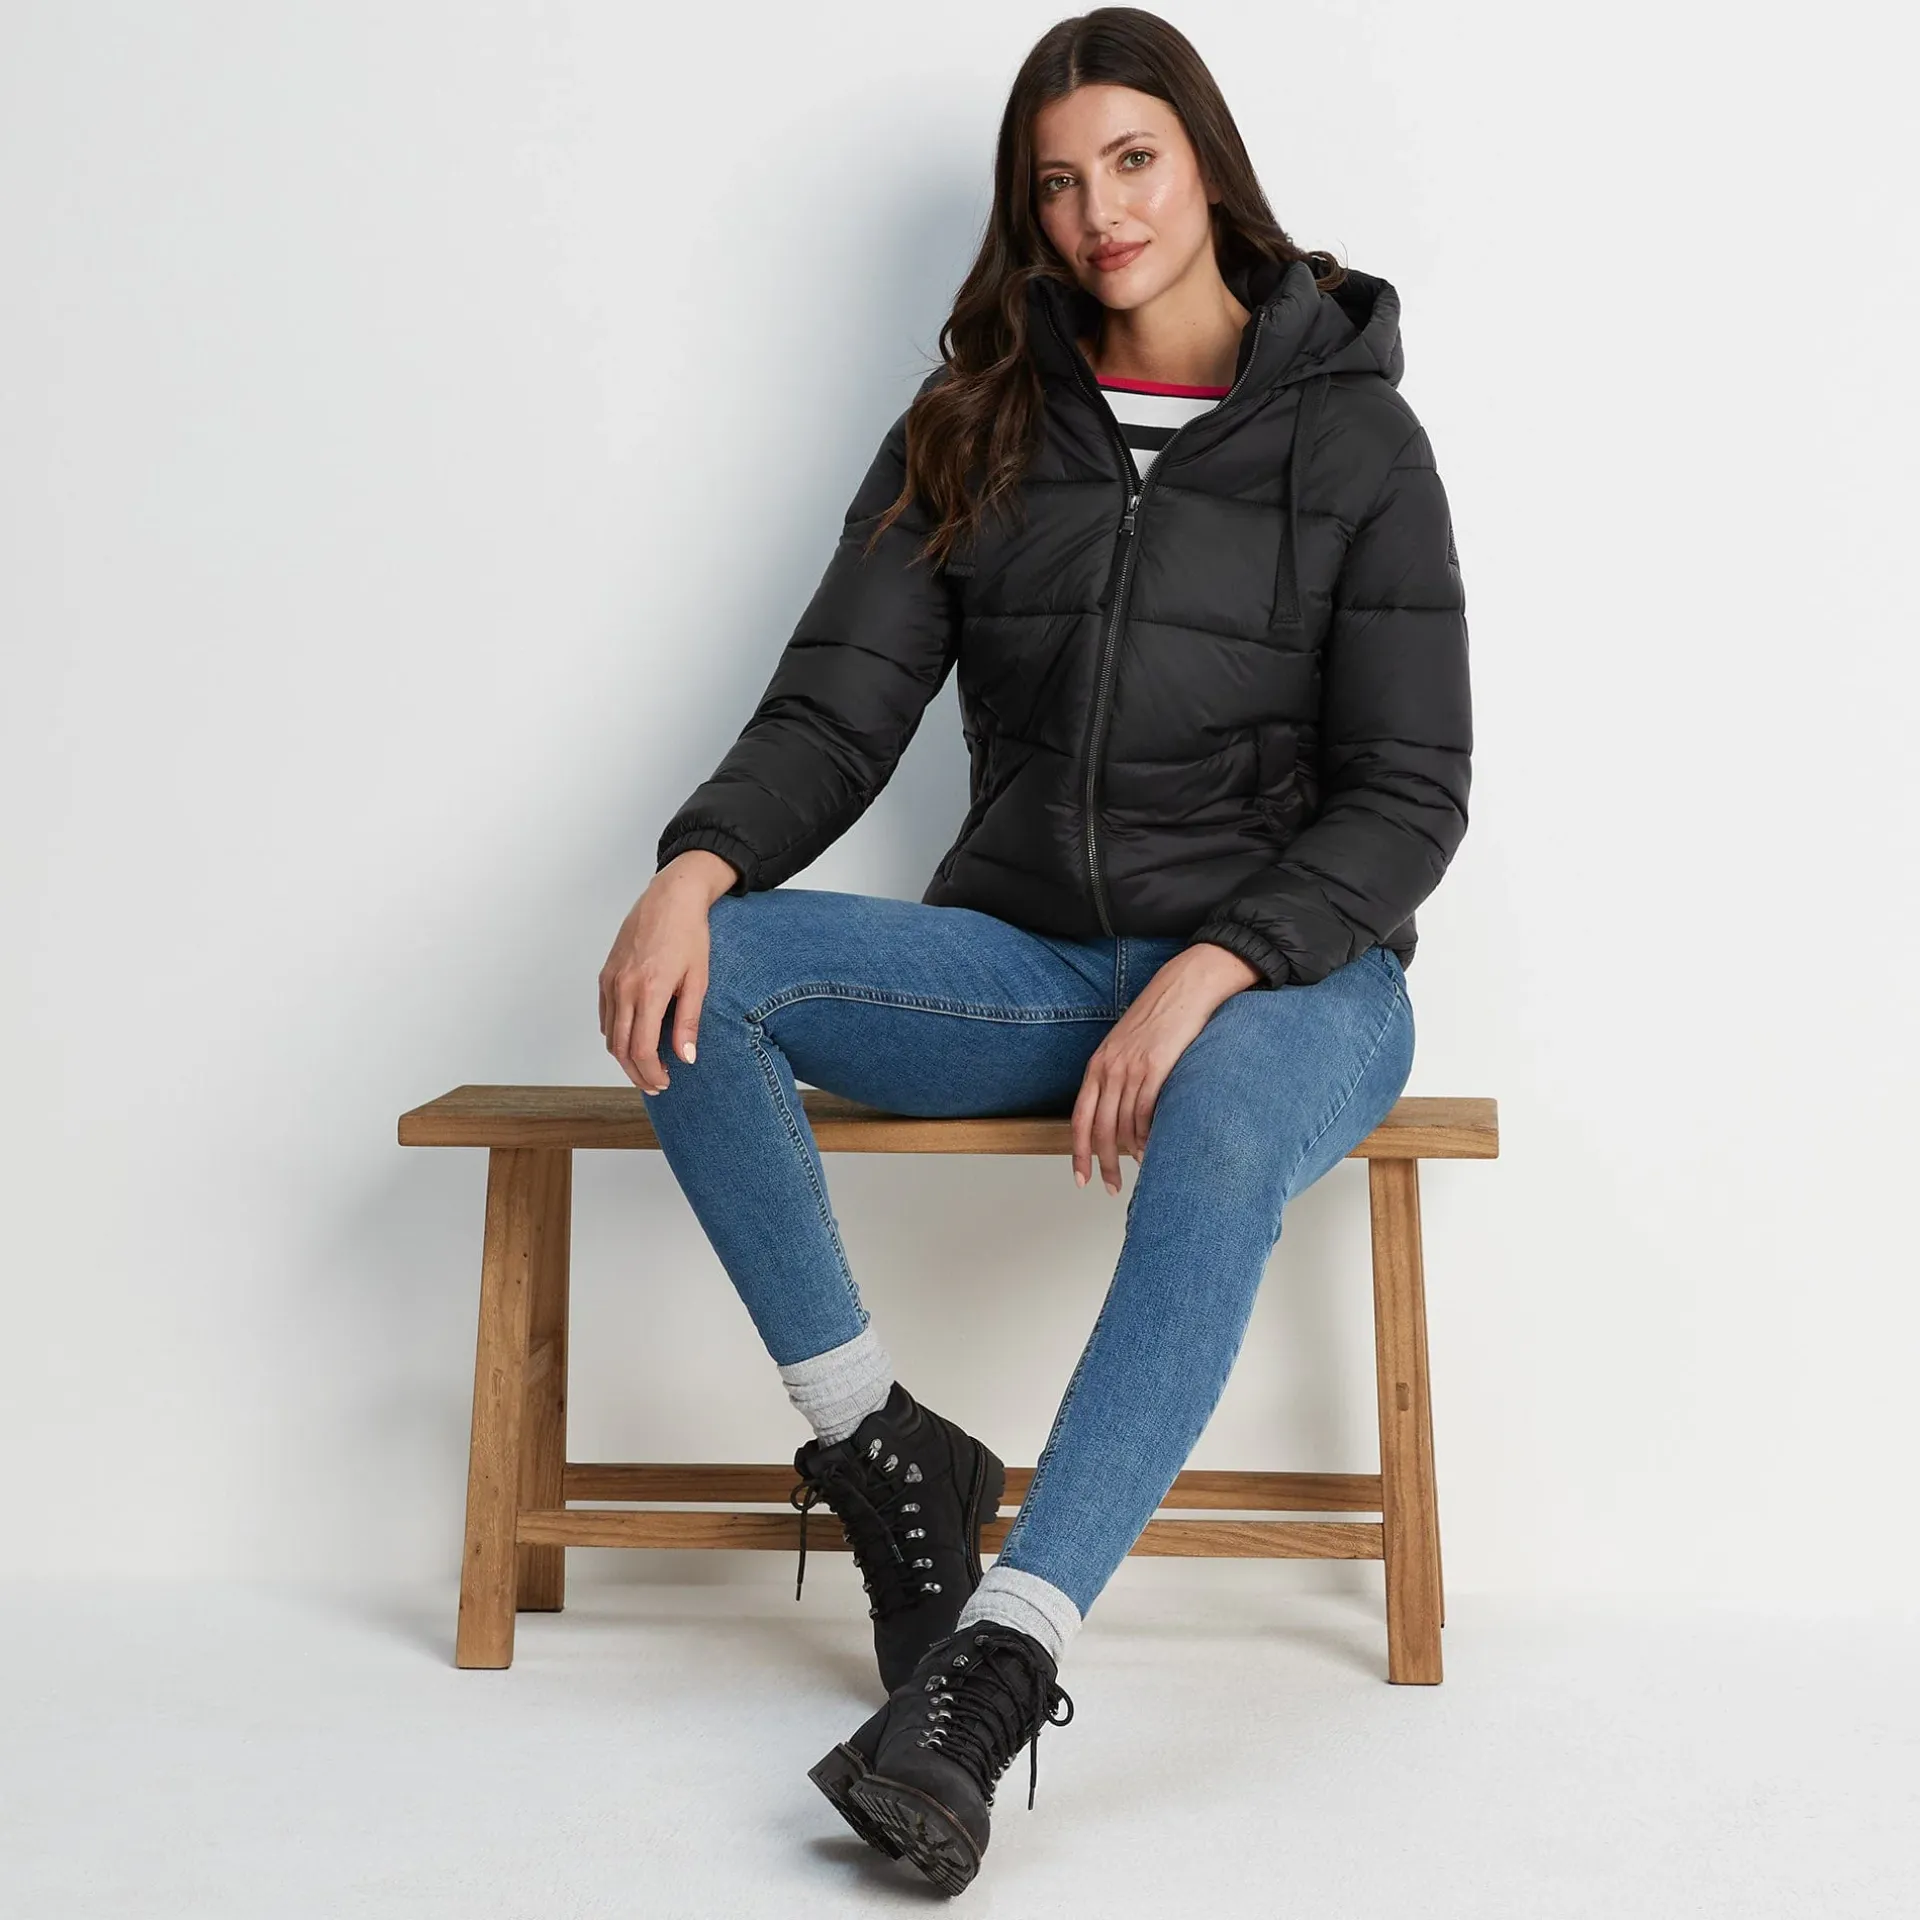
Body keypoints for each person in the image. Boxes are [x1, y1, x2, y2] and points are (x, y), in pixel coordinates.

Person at [597, 7, 1471, 1898]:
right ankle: (882, 1450)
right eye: (1057, 183)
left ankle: (997, 1669)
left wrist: (1217, 966)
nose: (1099, 214)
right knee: (701, 982)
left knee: (1223, 1119)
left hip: (1298, 983)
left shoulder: (1356, 440)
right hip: (1041, 964)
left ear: (1206, 162)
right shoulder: (976, 425)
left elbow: (1411, 794)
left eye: (1132, 162)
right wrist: (695, 865)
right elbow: (839, 706)